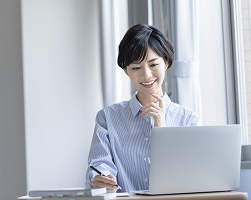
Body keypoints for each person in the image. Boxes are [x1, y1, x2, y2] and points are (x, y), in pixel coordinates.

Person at [85, 24, 199, 193]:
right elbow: (98, 165)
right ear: (126, 71)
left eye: (153, 64)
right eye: (136, 68)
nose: (146, 75)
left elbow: (190, 177)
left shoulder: (188, 119)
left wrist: (162, 130)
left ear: (166, 62)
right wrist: (100, 178)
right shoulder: (107, 118)